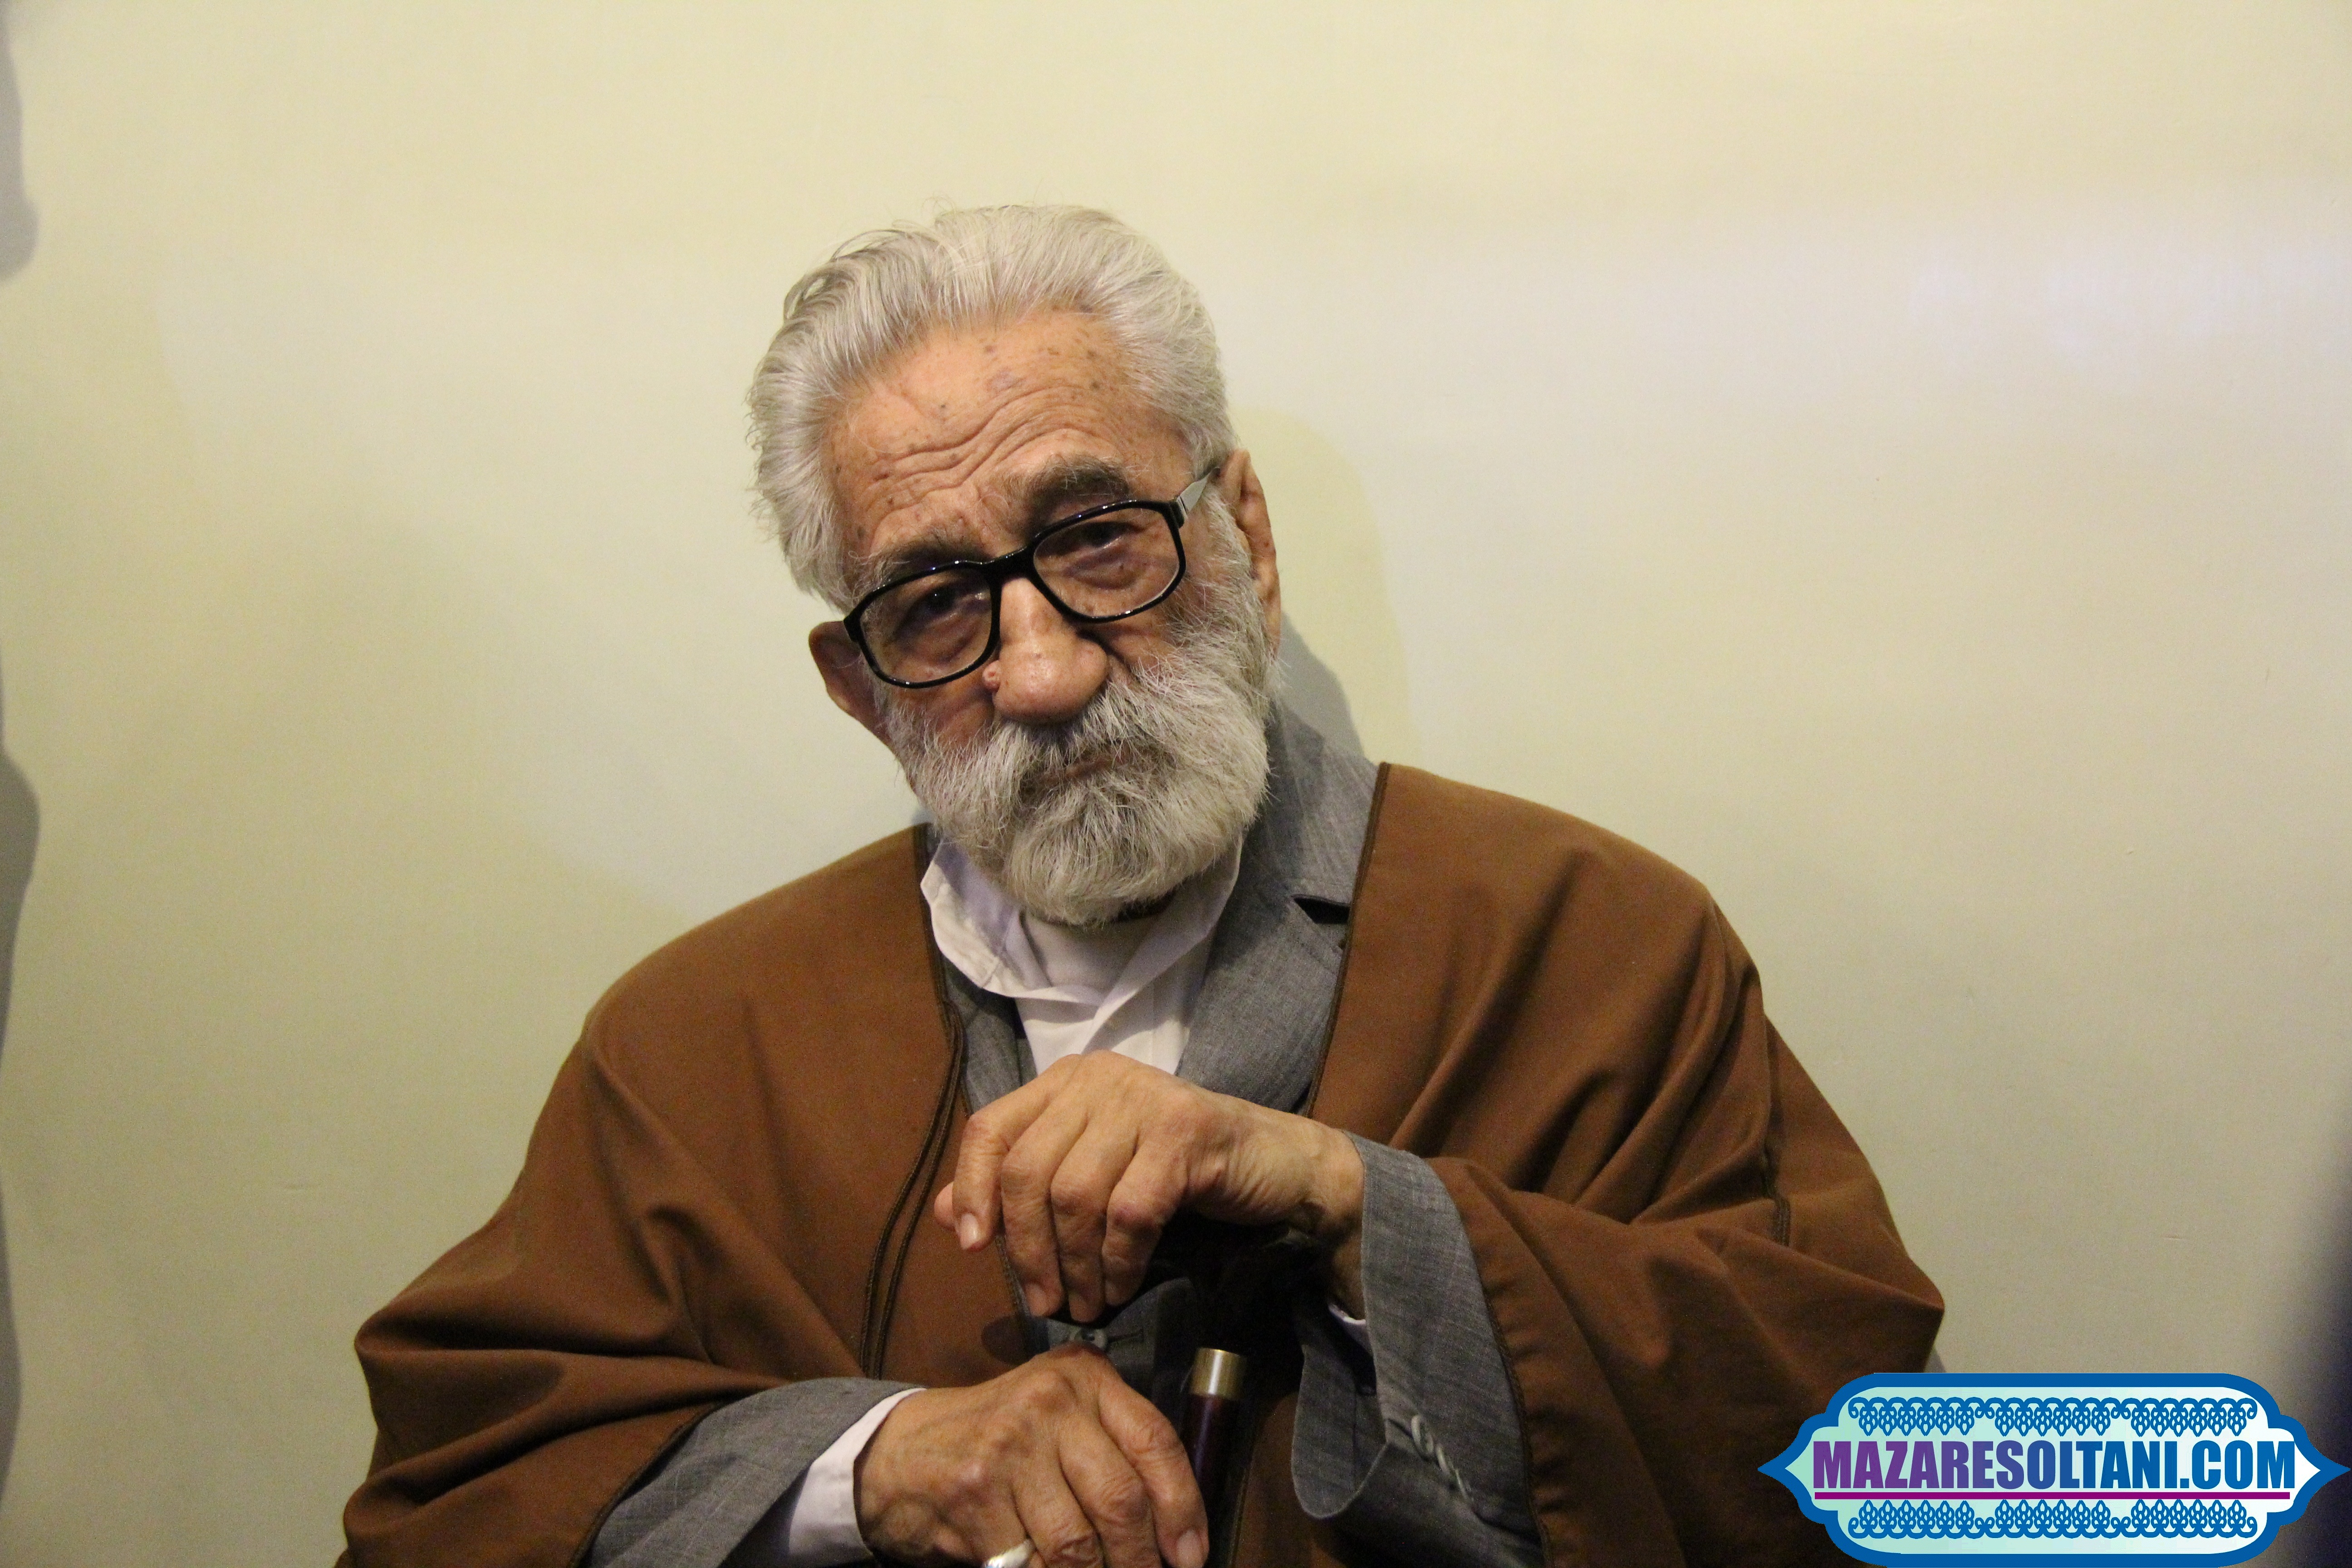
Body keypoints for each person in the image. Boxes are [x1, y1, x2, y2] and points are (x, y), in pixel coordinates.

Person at [339, 206, 1941, 1568]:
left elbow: (1873, 1453)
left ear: (1243, 534)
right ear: (861, 689)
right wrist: (871, 1469)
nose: (1040, 672)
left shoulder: (1588, 940)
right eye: (934, 602)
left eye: (1097, 537)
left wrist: (1349, 1204)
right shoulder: (694, 1045)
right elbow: (457, 1498)